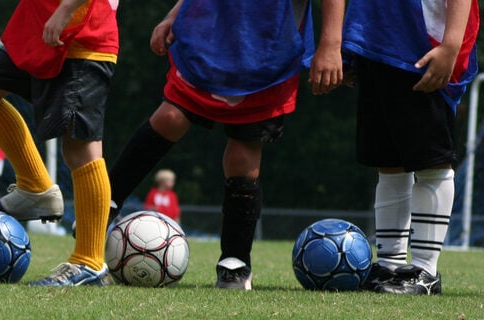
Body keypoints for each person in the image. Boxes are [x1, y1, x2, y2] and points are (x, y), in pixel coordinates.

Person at [102, 0, 345, 290]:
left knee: (243, 155)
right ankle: (104, 204)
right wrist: (174, 14)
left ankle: (235, 261)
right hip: (209, 36)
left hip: (268, 48)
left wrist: (331, 43)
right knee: (170, 117)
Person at [0, 0, 119, 286]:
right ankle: (34, 188)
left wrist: (66, 10)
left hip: (80, 34)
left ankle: (90, 261)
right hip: (39, 30)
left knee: (80, 148)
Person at [342, 0, 479, 295]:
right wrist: (352, 45)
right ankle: (390, 264)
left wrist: (451, 44)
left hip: (420, 43)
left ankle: (425, 270)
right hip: (375, 42)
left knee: (432, 162)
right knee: (389, 162)